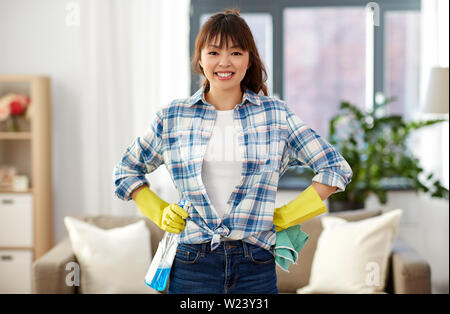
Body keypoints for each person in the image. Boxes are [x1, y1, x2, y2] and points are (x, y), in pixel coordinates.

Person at [113, 9, 353, 294]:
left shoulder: (275, 115)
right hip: (191, 264)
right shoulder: (173, 117)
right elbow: (125, 170)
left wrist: (288, 214)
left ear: (248, 59)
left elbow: (336, 168)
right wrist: (158, 210)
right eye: (214, 52)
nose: (224, 62)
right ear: (199, 59)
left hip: (255, 265)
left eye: (236, 52)